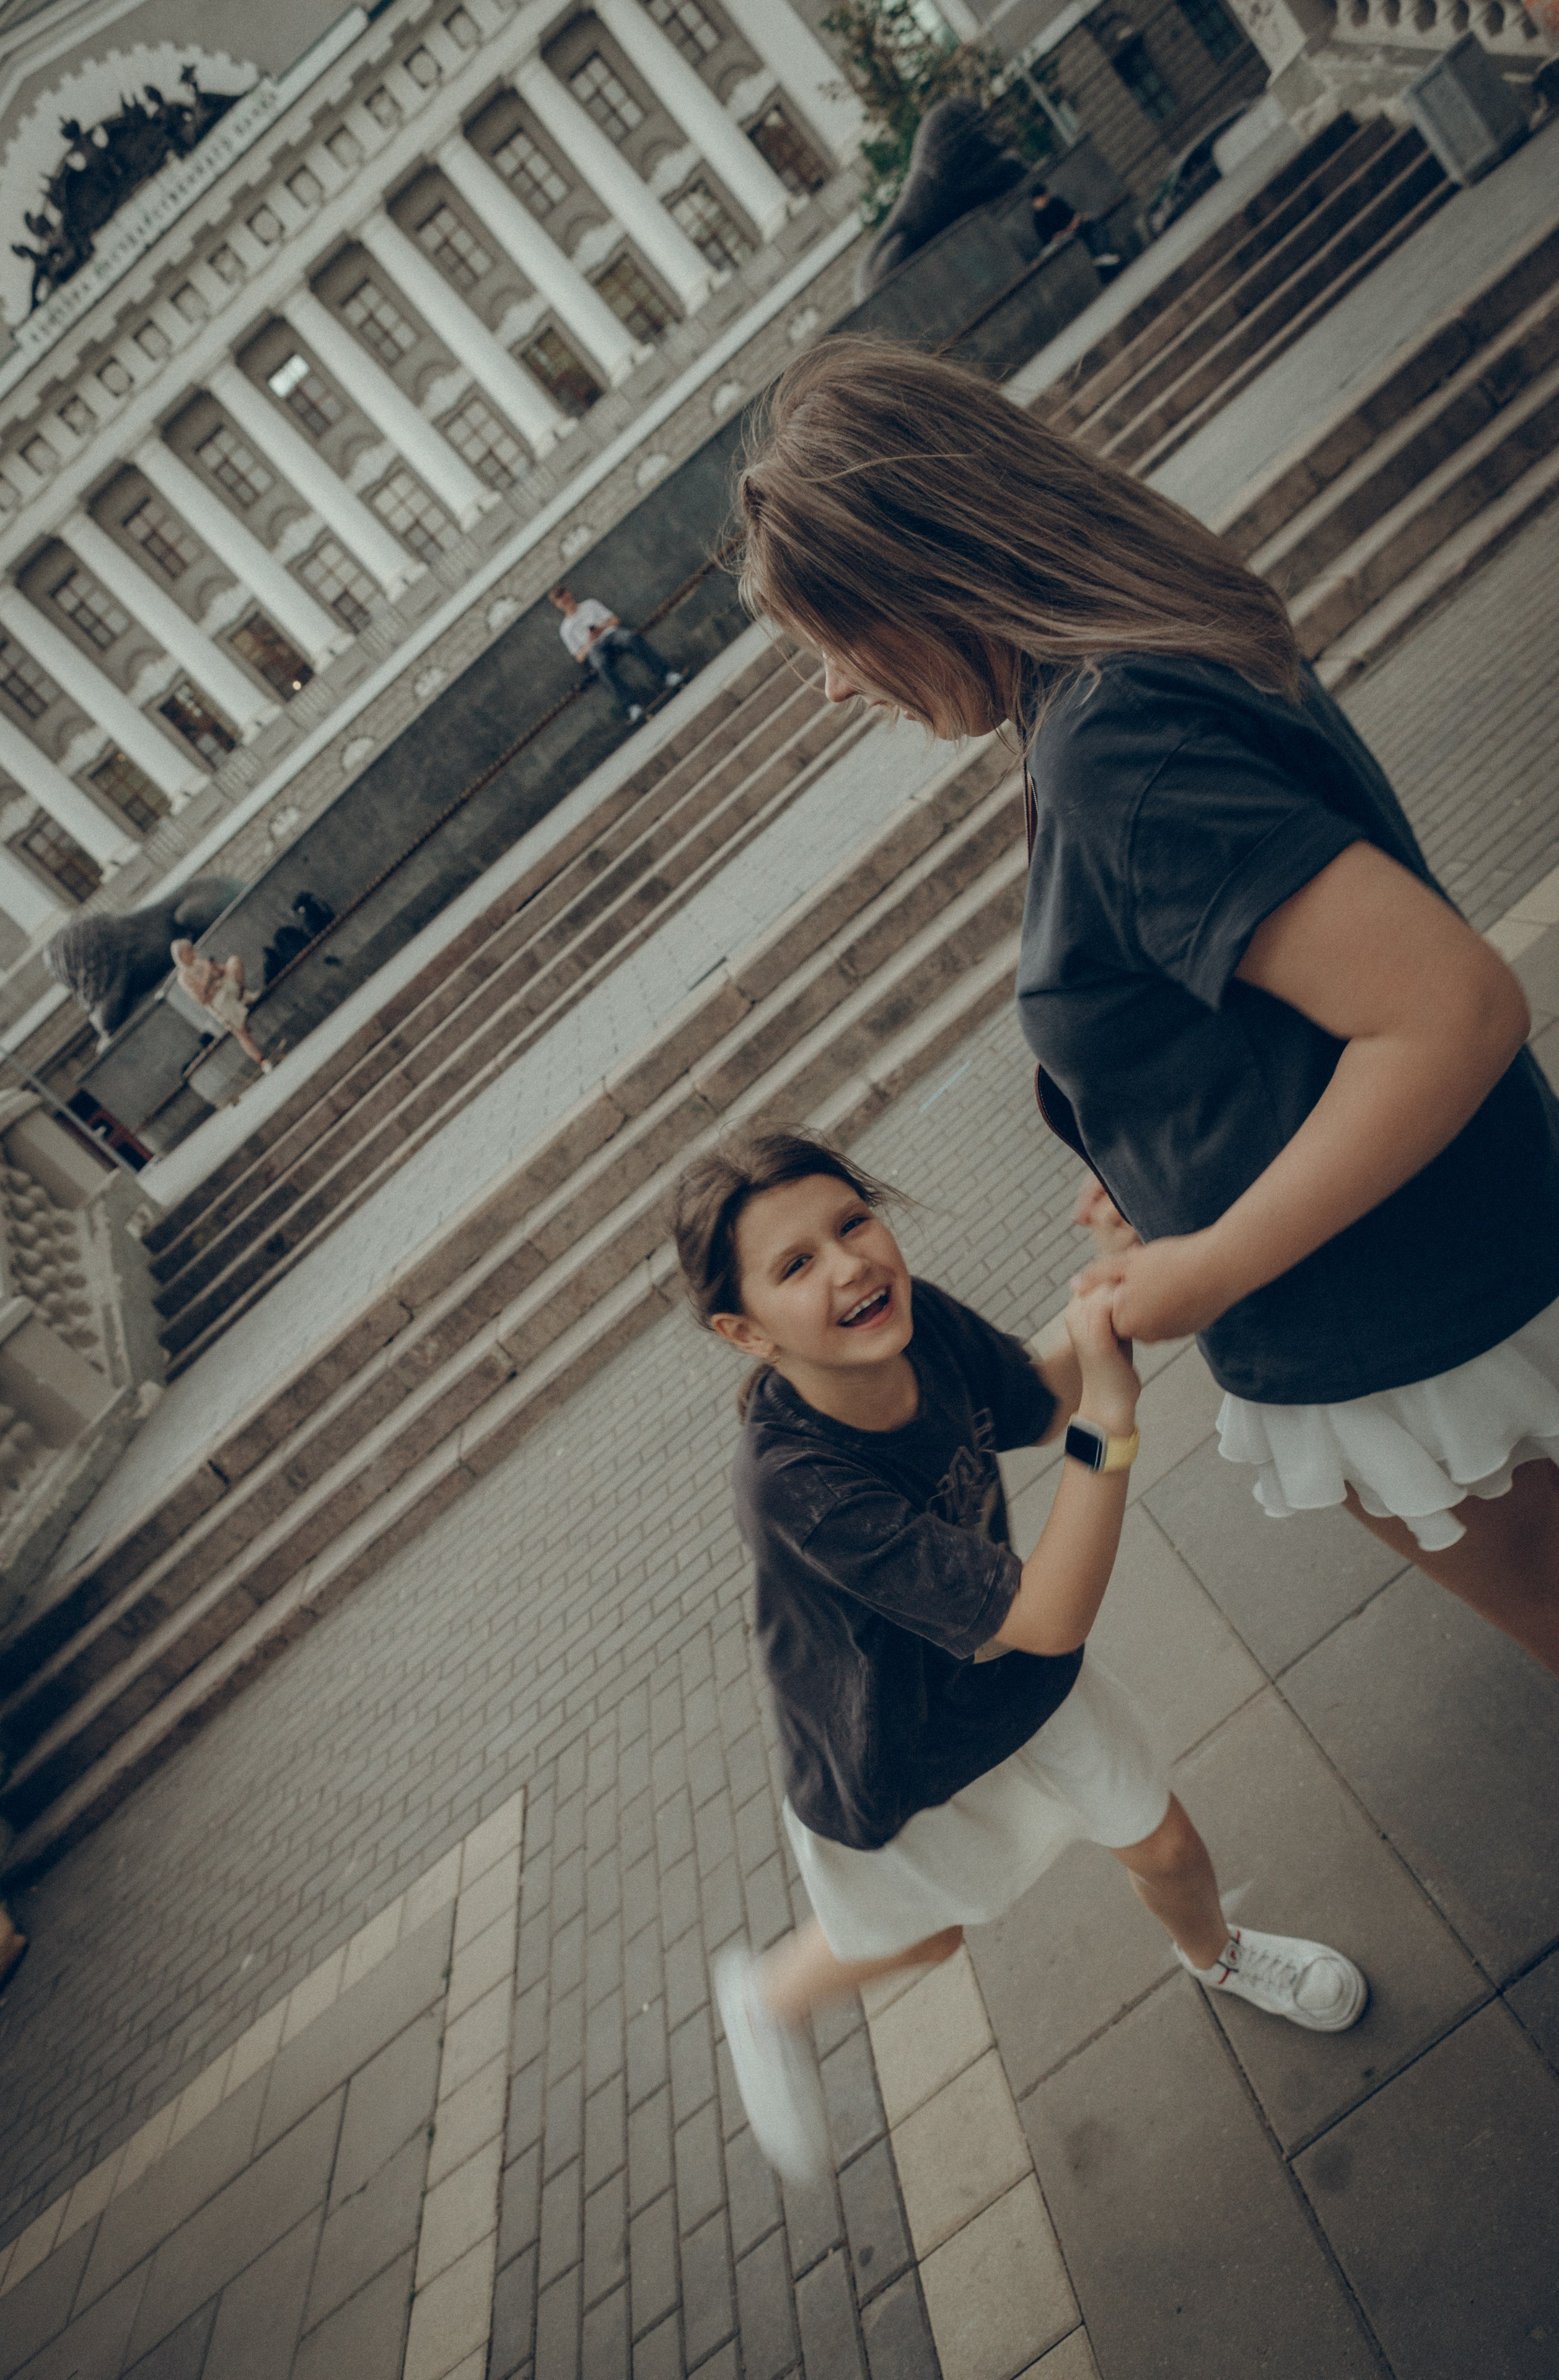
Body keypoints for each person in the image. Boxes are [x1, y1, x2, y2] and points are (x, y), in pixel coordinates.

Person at [731, 339, 1559, 1677]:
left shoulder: (1108, 746)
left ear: (923, 578)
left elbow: (1448, 1012)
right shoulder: (1131, 649)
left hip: (1407, 1320)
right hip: (1452, 1257)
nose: (834, 684)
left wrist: (1208, 1261)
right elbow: (1269, 992)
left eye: (834, 638)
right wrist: (1156, 1153)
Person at [673, 1129, 1367, 2184]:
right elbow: (1048, 1608)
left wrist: (1110, 1288)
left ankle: (1216, 1957)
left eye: (852, 1222)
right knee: (930, 1941)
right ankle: (771, 1997)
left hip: (1017, 1686)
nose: (851, 1264)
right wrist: (1114, 1421)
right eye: (795, 1265)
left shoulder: (913, 1323)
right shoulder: (793, 1480)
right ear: (744, 1330)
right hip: (895, 1757)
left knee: (1164, 1844)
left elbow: (1042, 1403)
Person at [548, 584, 683, 725]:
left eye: (567, 597)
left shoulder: (590, 604)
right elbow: (579, 657)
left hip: (610, 634)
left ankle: (667, 675)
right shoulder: (565, 629)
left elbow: (615, 621)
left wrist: (602, 629)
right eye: (563, 601)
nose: (567, 601)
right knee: (601, 666)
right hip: (593, 648)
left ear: (570, 594)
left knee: (631, 638)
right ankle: (632, 706)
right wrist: (589, 641)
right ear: (558, 605)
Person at [171, 939, 273, 1072]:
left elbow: (224, 972)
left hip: (227, 989)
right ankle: (262, 1061)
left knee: (234, 962)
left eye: (191, 950)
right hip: (218, 1002)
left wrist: (216, 968)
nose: (192, 954)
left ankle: (243, 995)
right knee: (241, 1032)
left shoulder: (200, 963)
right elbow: (201, 997)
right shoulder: (184, 976)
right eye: (187, 952)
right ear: (181, 956)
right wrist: (208, 972)